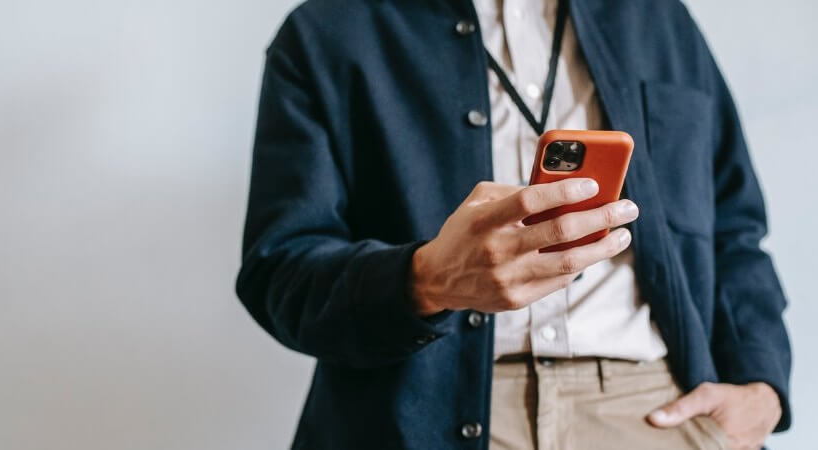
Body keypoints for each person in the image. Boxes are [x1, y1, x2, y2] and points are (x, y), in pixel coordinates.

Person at [236, 0, 791, 448]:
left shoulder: (658, 18)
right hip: (420, 415)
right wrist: (426, 278)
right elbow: (278, 271)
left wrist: (763, 387)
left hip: (653, 411)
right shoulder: (326, 32)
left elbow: (735, 230)